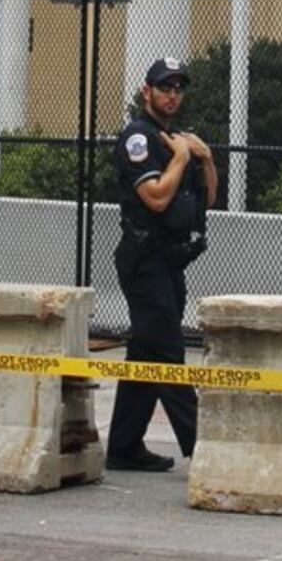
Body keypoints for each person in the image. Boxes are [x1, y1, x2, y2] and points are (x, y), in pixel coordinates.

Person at [104, 55, 211, 473]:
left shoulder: (175, 139)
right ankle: (203, 448)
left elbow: (209, 198)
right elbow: (155, 198)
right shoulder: (139, 139)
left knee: (145, 354)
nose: (172, 95)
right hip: (144, 263)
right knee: (168, 353)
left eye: (178, 88)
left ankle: (124, 447)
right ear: (146, 91)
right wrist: (183, 158)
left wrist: (205, 160)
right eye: (165, 87)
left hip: (169, 263)